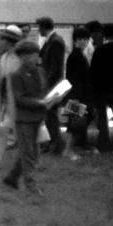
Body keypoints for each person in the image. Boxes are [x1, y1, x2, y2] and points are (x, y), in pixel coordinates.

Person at [3, 40, 50, 195]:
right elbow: (19, 99)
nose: (36, 57)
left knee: (30, 152)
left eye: (37, 54)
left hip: (39, 117)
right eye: (33, 54)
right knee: (29, 154)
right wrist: (39, 102)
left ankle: (11, 178)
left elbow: (44, 91)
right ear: (23, 57)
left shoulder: (41, 72)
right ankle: (31, 186)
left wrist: (52, 98)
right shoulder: (16, 75)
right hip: (24, 120)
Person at [0, 25, 24, 170]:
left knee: (21, 135)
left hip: (18, 103)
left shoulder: (21, 59)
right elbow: (0, 78)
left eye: (1, 39)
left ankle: (29, 161)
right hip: (5, 101)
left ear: (9, 42)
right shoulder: (3, 58)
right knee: (3, 131)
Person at [36, 16, 66, 155]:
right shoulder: (51, 41)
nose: (38, 30)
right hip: (50, 83)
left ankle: (57, 144)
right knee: (49, 115)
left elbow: (56, 67)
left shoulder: (55, 41)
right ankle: (54, 143)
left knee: (51, 115)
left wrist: (46, 83)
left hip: (52, 85)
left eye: (39, 27)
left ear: (43, 27)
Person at [63, 27, 93, 155]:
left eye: (85, 39)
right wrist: (76, 97)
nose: (83, 41)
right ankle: (68, 149)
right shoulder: (76, 56)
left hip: (78, 94)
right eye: (80, 39)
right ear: (75, 40)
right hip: (77, 95)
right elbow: (74, 79)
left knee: (77, 123)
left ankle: (70, 149)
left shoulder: (79, 54)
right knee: (75, 123)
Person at [90, 23, 113, 154]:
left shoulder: (99, 50)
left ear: (104, 34)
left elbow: (93, 72)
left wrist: (94, 90)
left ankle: (103, 144)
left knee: (102, 118)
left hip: (102, 89)